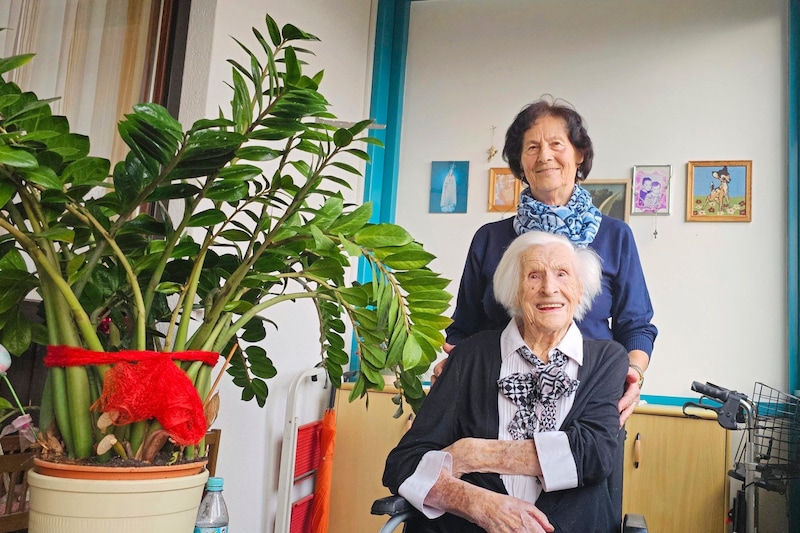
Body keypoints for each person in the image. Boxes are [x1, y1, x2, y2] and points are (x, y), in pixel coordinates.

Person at [383, 231, 628, 533]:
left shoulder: (608, 359)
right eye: (534, 276)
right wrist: (478, 504)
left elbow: (593, 455)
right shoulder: (471, 356)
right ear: (514, 291)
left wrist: (473, 453)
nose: (549, 288)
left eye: (562, 274)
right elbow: (403, 464)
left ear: (580, 290)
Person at [439, 97, 656, 427]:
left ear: (578, 154)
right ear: (520, 164)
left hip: (589, 405)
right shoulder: (490, 239)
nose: (545, 156)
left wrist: (633, 373)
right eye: (532, 148)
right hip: (493, 407)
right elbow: (463, 328)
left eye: (557, 144)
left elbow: (636, 326)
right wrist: (452, 367)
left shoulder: (615, 237)